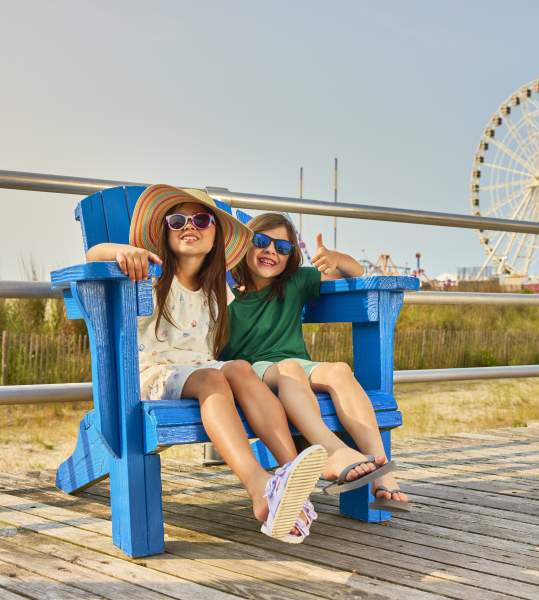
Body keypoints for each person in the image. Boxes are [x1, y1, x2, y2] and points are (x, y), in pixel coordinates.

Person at [85, 184, 327, 542]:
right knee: (213, 380)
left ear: (216, 235)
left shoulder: (217, 287)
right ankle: (259, 486)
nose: (189, 226)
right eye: (177, 220)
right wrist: (123, 251)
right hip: (153, 373)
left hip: (201, 367)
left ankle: (290, 479)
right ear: (164, 233)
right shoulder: (149, 272)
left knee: (240, 368)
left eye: (201, 219)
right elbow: (94, 253)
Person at [222, 212, 409, 512]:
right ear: (244, 244)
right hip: (251, 372)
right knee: (290, 369)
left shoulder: (294, 283)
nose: (271, 251)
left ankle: (380, 469)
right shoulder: (225, 293)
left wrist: (336, 259)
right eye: (262, 242)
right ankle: (332, 451)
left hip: (294, 367)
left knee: (339, 370)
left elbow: (355, 272)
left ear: (290, 256)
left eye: (282, 248)